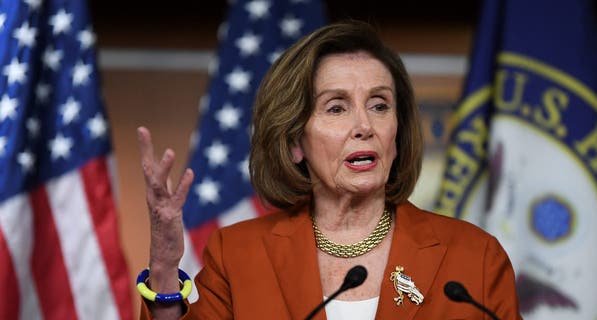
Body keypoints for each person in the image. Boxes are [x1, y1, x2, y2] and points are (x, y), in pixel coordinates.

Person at [136, 21, 522, 319]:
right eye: (336, 107)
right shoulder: (239, 256)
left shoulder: (474, 258)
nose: (364, 126)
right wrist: (166, 270)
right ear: (294, 141)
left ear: (398, 132)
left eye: (380, 105)